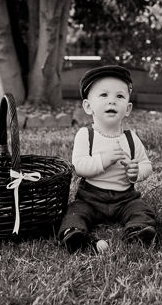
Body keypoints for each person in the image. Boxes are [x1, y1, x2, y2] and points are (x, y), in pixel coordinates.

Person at [59, 65, 156, 253]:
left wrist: (136, 172)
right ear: (88, 106)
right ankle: (74, 234)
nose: (112, 101)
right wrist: (104, 160)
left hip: (125, 198)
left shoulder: (131, 138)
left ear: (128, 108)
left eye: (119, 96)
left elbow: (147, 165)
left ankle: (137, 231)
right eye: (103, 95)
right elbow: (79, 167)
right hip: (90, 198)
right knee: (75, 212)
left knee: (141, 210)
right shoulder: (86, 135)